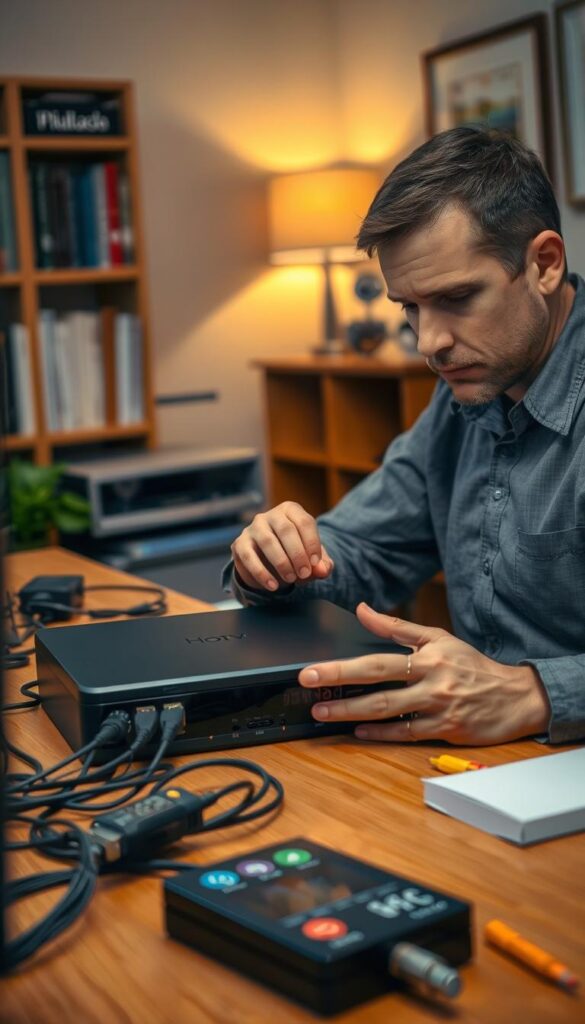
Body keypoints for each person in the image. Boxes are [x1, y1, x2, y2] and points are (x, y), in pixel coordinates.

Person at [226, 125, 585, 747]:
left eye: (456, 298)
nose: (430, 344)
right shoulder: (468, 393)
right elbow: (362, 550)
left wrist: (534, 693)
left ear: (544, 264)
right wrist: (274, 560)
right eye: (411, 309)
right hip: (491, 772)